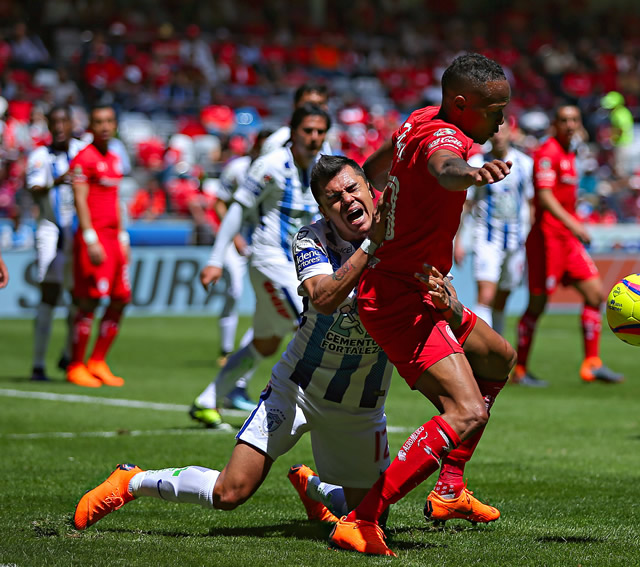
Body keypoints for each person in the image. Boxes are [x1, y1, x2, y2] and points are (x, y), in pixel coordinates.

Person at [71, 156, 475, 534]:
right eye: (333, 198)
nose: (346, 200)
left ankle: (315, 489)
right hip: (297, 389)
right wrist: (372, 247)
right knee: (231, 493)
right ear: (322, 210)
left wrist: (447, 300)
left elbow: (437, 291)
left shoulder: (406, 236)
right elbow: (323, 298)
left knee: (372, 519)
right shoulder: (310, 239)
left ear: (373, 190)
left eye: (352, 189)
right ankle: (133, 480)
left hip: (361, 406)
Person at [328, 52, 516, 557]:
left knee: (499, 358)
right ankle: (362, 518)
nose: (502, 120)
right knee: (467, 410)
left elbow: (379, 164)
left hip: (420, 285)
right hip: (396, 296)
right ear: (461, 104)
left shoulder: (418, 120)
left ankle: (449, 489)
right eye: (494, 110)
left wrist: (373, 192)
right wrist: (472, 175)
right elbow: (444, 167)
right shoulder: (444, 139)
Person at [192, 104, 330, 428]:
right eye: (307, 131)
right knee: (314, 320)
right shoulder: (270, 165)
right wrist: (215, 259)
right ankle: (309, 406)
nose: (314, 138)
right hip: (270, 259)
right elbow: (237, 209)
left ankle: (207, 400)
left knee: (265, 343)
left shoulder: (322, 166)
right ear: (292, 132)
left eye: (320, 132)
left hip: (299, 264)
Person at [513, 103, 623, 387]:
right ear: (555, 124)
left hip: (567, 241)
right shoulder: (548, 153)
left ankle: (592, 363)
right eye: (564, 120)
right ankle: (521, 369)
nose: (570, 125)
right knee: (537, 305)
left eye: (574, 119)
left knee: (595, 294)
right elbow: (546, 198)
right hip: (547, 240)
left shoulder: (571, 152)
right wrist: (575, 224)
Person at [65, 104, 131, 388]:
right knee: (89, 300)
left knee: (121, 298)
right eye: (98, 121)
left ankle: (98, 361)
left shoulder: (115, 158)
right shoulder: (84, 158)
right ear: (90, 126)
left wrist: (124, 236)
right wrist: (90, 237)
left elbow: (115, 199)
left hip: (115, 238)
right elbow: (80, 199)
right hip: (94, 238)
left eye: (109, 121)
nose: (105, 126)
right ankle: (76, 364)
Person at [207, 130, 271, 411]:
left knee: (268, 315)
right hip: (238, 241)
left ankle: (229, 387)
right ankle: (226, 356)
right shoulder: (238, 169)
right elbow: (221, 203)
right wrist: (233, 238)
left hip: (266, 247)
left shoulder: (283, 169)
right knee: (234, 291)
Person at [454, 118, 533, 337]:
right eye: (495, 131)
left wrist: (531, 238)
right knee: (486, 297)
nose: (498, 135)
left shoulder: (525, 164)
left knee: (502, 298)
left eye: (503, 131)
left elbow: (530, 203)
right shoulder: (477, 163)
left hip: (516, 241)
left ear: (511, 134)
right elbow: (466, 204)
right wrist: (458, 241)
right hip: (487, 238)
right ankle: (481, 352)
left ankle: (496, 347)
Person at [25, 105, 87, 381]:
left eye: (65, 121)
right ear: (49, 126)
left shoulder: (84, 150)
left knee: (78, 297)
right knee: (49, 294)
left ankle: (69, 356)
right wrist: (57, 182)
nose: (60, 127)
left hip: (79, 229)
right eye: (55, 123)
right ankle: (38, 363)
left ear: (72, 124)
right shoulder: (40, 155)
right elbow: (33, 188)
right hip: (51, 229)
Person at [261, 83, 331, 156]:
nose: (315, 110)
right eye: (310, 104)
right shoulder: (277, 141)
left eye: (320, 104)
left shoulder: (327, 141)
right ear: (295, 105)